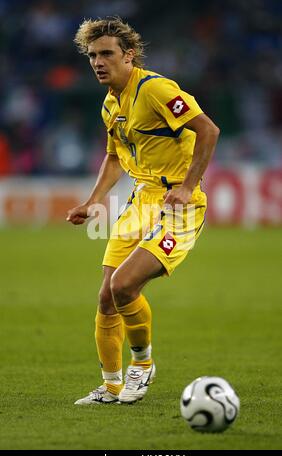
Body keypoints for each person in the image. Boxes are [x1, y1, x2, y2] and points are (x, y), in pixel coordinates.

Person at [67, 17, 220, 405]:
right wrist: (94, 200)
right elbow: (114, 157)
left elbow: (208, 130)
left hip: (179, 205)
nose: (99, 62)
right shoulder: (110, 104)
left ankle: (143, 364)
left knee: (124, 286)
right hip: (141, 200)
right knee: (106, 297)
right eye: (92, 56)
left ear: (128, 56)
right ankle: (111, 385)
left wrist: (187, 186)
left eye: (107, 54)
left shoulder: (155, 89)